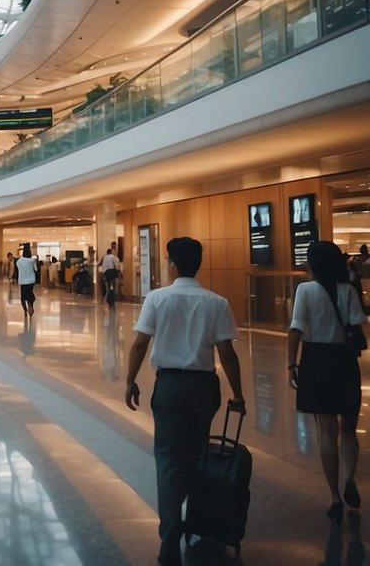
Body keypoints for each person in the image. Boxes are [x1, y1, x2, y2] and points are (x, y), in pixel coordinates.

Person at [124, 237, 244, 566]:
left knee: (168, 462)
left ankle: (171, 535)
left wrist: (130, 380)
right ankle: (195, 523)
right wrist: (238, 394)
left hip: (171, 387)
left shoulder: (158, 298)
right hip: (205, 388)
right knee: (195, 456)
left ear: (172, 264)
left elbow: (139, 344)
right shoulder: (217, 302)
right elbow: (228, 355)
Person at [287, 240, 367, 521]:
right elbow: (357, 322)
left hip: (316, 360)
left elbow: (296, 329)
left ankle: (334, 495)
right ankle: (350, 479)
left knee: (327, 431)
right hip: (345, 362)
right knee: (348, 428)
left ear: (314, 263)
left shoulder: (305, 290)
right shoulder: (347, 290)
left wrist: (290, 365)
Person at [16, 244, 39, 317]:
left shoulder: (18, 261)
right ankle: (30, 307)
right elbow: (36, 269)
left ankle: (25, 311)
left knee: (23, 297)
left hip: (22, 281)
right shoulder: (31, 261)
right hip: (31, 281)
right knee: (29, 294)